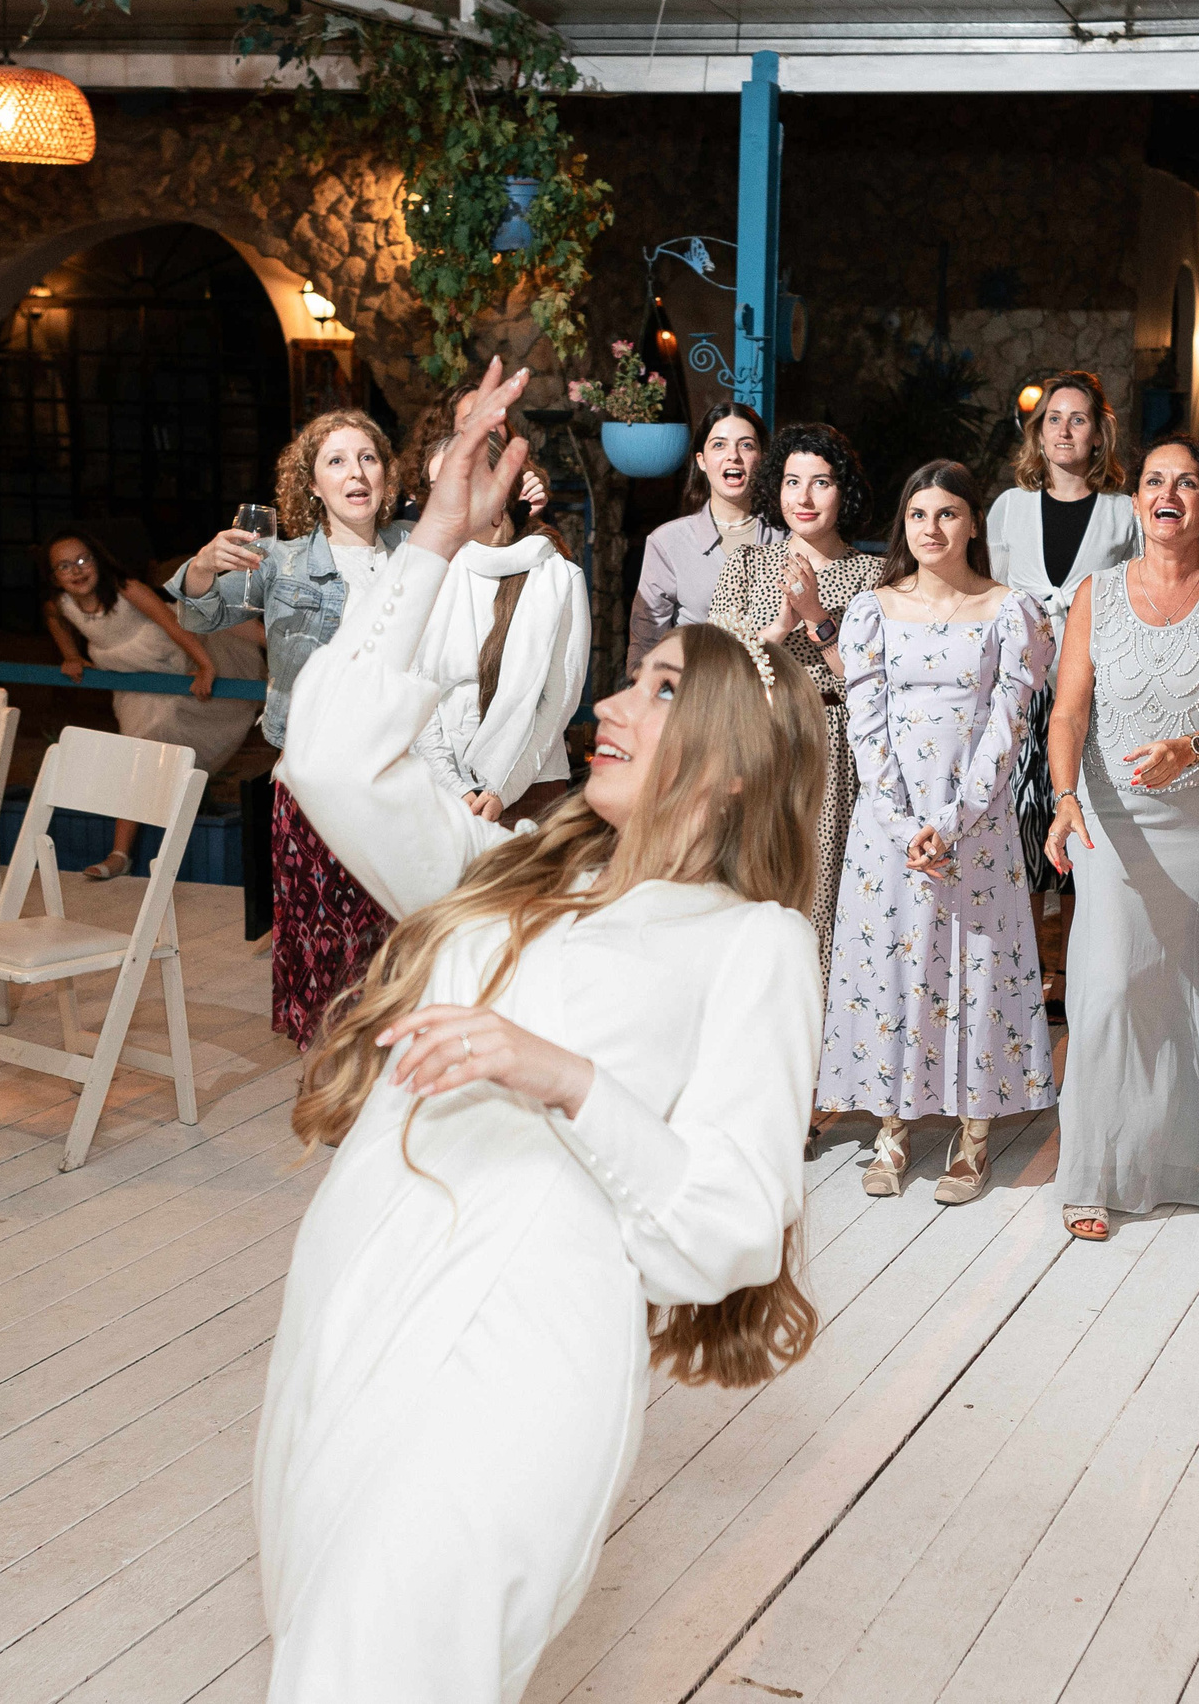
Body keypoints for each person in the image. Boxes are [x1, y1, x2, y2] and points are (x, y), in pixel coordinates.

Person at [257, 360, 825, 1703]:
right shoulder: (503, 865)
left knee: (376, 1662)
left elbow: (731, 1224)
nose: (613, 707)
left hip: (527, 1333)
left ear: (739, 761)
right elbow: (333, 759)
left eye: (664, 690)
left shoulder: (754, 943)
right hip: (354, 1289)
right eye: (626, 683)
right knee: (322, 1642)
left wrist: (556, 1074)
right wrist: (439, 530)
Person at [817, 460, 1057, 1204]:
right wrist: (900, 821)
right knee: (895, 966)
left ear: (973, 523)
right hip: (887, 829)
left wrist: (953, 821)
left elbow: (1006, 727)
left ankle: (974, 1134)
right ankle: (892, 1128)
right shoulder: (871, 609)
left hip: (975, 826)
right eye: (918, 515)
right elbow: (866, 723)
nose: (931, 528)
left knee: (973, 968)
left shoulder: (1009, 610)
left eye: (947, 514)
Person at [1043, 437, 1199, 1240]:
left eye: (1187, 483)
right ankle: (1098, 1168)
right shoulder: (1095, 594)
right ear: (1136, 499)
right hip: (1112, 819)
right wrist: (1065, 800)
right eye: (1153, 481)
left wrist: (1189, 748)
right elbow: (1068, 712)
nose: (1168, 493)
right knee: (1105, 993)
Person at [169, 408, 411, 1048]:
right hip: (313, 771)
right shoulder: (281, 560)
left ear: (386, 475)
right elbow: (198, 616)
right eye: (336, 460)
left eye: (368, 458)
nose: (355, 472)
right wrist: (200, 565)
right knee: (320, 923)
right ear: (311, 484)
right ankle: (329, 1058)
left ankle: (390, 1054)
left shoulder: (418, 552)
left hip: (402, 770)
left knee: (396, 923)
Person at [712, 423, 880, 970]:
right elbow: (718, 676)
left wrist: (817, 620)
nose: (803, 498)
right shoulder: (744, 565)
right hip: (762, 745)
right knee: (754, 888)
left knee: (825, 897)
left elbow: (876, 686)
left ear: (844, 491)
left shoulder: (875, 577)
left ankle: (822, 1041)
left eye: (820, 483)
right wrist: (778, 626)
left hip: (836, 750)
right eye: (791, 482)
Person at [988, 372, 1143, 895]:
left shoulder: (1125, 514)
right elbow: (993, 598)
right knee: (1023, 839)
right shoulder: (1010, 507)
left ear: (1099, 434)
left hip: (1091, 698)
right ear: (1038, 431)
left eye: (1078, 420)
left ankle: (1075, 974)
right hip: (1021, 694)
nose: (1064, 430)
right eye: (1054, 419)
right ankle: (1029, 975)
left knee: (1085, 845)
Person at [44, 529, 262, 878]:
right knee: (136, 755)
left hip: (175, 654)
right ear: (54, 577)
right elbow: (54, 621)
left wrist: (205, 665)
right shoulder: (61, 605)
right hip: (135, 685)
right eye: (64, 566)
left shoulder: (126, 589)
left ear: (98, 560)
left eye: (83, 560)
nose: (76, 570)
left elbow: (172, 624)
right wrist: (70, 655)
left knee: (222, 626)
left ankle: (292, 648)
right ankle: (120, 854)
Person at [407, 415, 586, 829]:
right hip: (440, 787)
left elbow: (557, 703)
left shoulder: (558, 577)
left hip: (532, 787)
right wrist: (455, 786)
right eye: (437, 491)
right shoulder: (428, 573)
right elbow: (417, 695)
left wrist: (502, 789)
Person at [626, 401, 776, 681]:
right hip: (697, 700)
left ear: (763, 458)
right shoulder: (668, 542)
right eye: (719, 445)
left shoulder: (787, 537)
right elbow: (647, 640)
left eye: (746, 445)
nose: (733, 456)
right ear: (701, 460)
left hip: (770, 702)